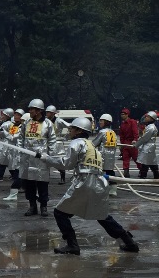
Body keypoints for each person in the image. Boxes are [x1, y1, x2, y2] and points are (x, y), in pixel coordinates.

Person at [37, 117, 139, 255]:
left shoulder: (76, 143)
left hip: (84, 181)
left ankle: (72, 245)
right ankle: (129, 242)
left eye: (72, 128)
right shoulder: (91, 146)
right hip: (99, 182)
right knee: (101, 215)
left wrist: (45, 158)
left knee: (60, 213)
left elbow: (66, 164)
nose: (70, 130)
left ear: (79, 131)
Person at [17, 99, 56, 217]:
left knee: (42, 183)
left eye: (31, 109)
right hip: (28, 159)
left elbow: (52, 140)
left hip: (41, 159)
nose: (29, 111)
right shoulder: (26, 123)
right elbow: (21, 138)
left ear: (38, 110)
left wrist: (50, 157)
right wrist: (21, 152)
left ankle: (43, 206)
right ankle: (32, 206)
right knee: (29, 184)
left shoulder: (48, 123)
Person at [92, 114, 118, 196]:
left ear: (106, 122)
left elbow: (94, 143)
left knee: (100, 172)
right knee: (110, 172)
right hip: (111, 155)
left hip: (102, 155)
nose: (100, 122)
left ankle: (101, 188)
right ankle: (113, 190)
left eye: (101, 121)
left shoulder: (102, 132)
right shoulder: (113, 132)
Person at [45, 105, 70, 185]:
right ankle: (46, 178)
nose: (47, 114)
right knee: (46, 160)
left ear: (53, 113)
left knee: (59, 161)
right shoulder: (45, 121)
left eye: (48, 112)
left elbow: (70, 126)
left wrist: (65, 137)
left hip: (57, 143)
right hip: (47, 143)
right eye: (47, 112)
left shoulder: (59, 121)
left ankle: (63, 178)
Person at [133, 111, 158, 179]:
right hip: (149, 146)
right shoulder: (150, 126)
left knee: (145, 162)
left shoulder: (151, 127)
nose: (145, 118)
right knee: (151, 162)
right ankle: (156, 175)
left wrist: (136, 144)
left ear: (152, 118)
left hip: (148, 147)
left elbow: (144, 138)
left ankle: (143, 176)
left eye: (147, 117)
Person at [119, 108, 141, 177]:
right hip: (126, 143)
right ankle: (126, 172)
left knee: (136, 158)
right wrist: (122, 145)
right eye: (121, 114)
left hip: (132, 143)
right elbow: (121, 136)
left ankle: (142, 170)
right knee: (125, 158)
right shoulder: (122, 124)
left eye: (124, 114)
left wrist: (135, 140)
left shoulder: (132, 122)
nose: (122, 115)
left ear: (127, 115)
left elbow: (135, 132)